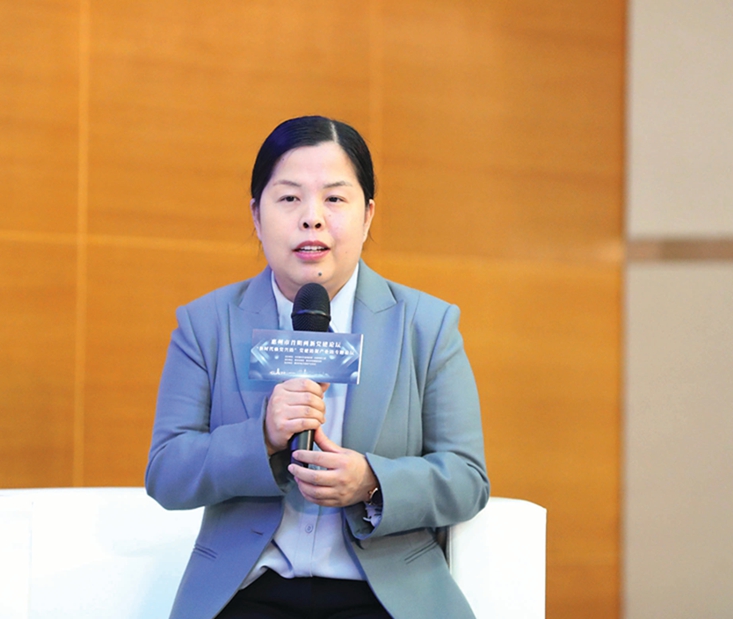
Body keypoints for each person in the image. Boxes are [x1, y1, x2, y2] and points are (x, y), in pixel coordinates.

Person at [146, 116, 488, 619]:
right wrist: (262, 436)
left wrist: (372, 482)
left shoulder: (426, 326)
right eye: (289, 198)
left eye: (334, 198)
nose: (312, 218)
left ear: (367, 216)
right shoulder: (207, 324)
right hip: (249, 591)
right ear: (256, 215)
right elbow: (167, 472)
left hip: (383, 596)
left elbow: (467, 478)